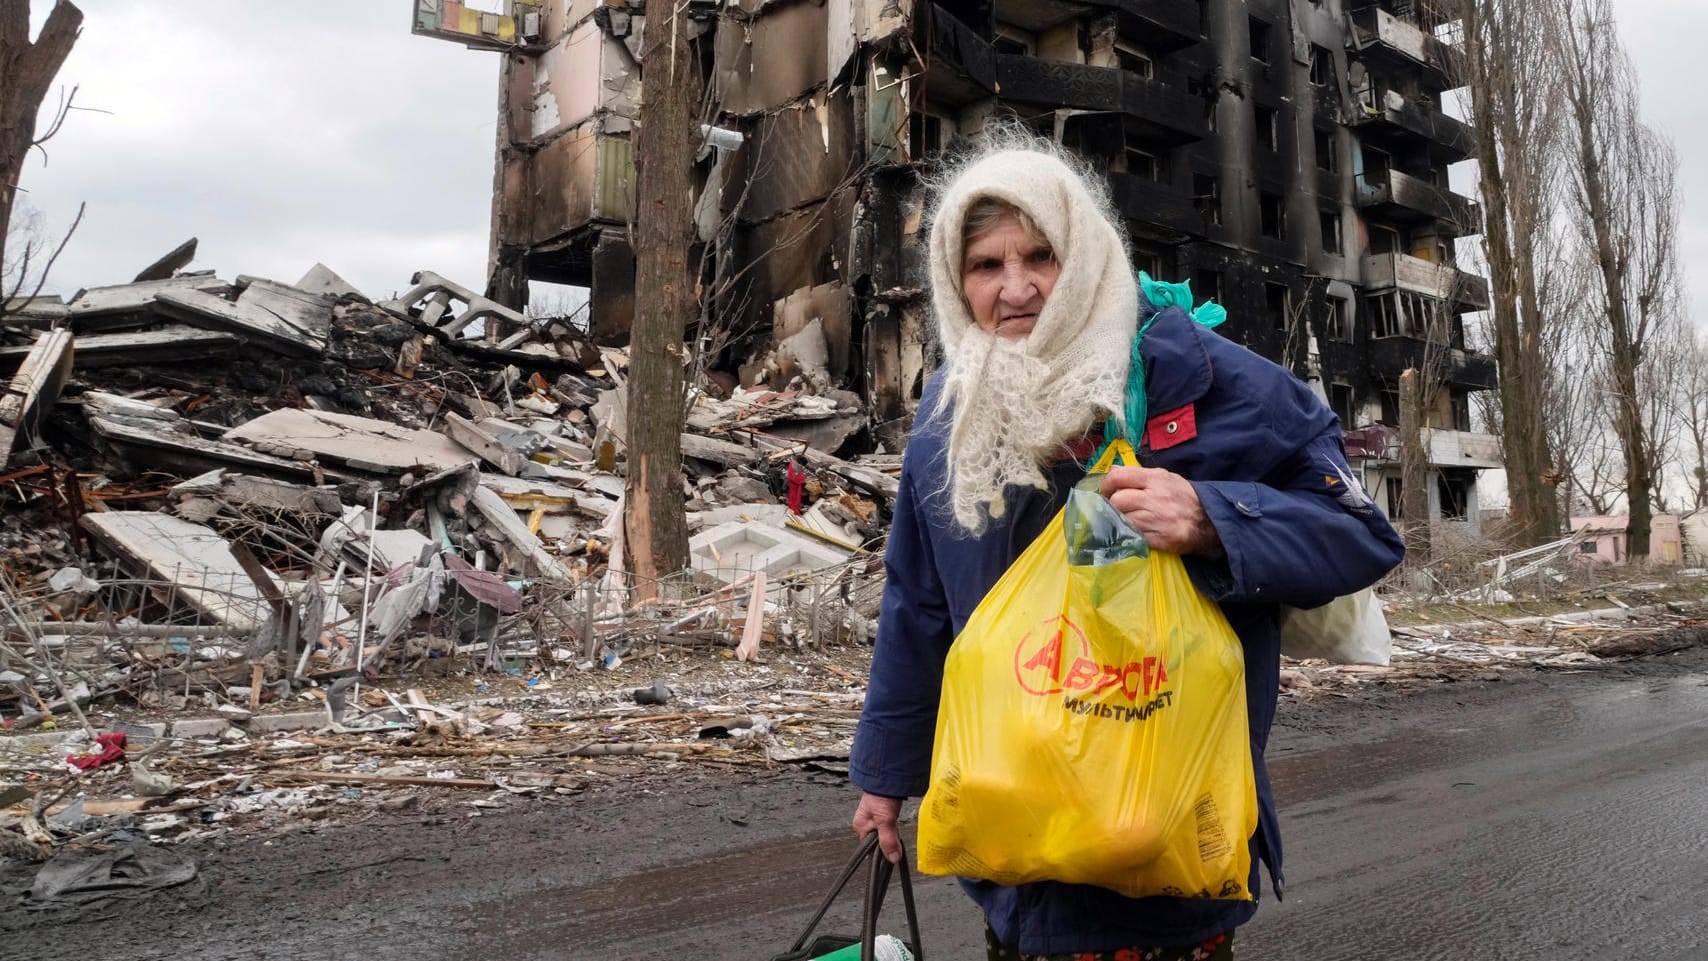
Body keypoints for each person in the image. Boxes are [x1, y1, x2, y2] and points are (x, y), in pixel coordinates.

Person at [848, 130, 1405, 960]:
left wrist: (1214, 517)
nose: (1017, 288)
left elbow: (1360, 536)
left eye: (1042, 255)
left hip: (1167, 857)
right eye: (986, 266)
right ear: (953, 282)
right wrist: (884, 777)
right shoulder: (948, 423)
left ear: (1086, 254)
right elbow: (919, 609)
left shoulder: (1205, 380)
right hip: (1018, 862)